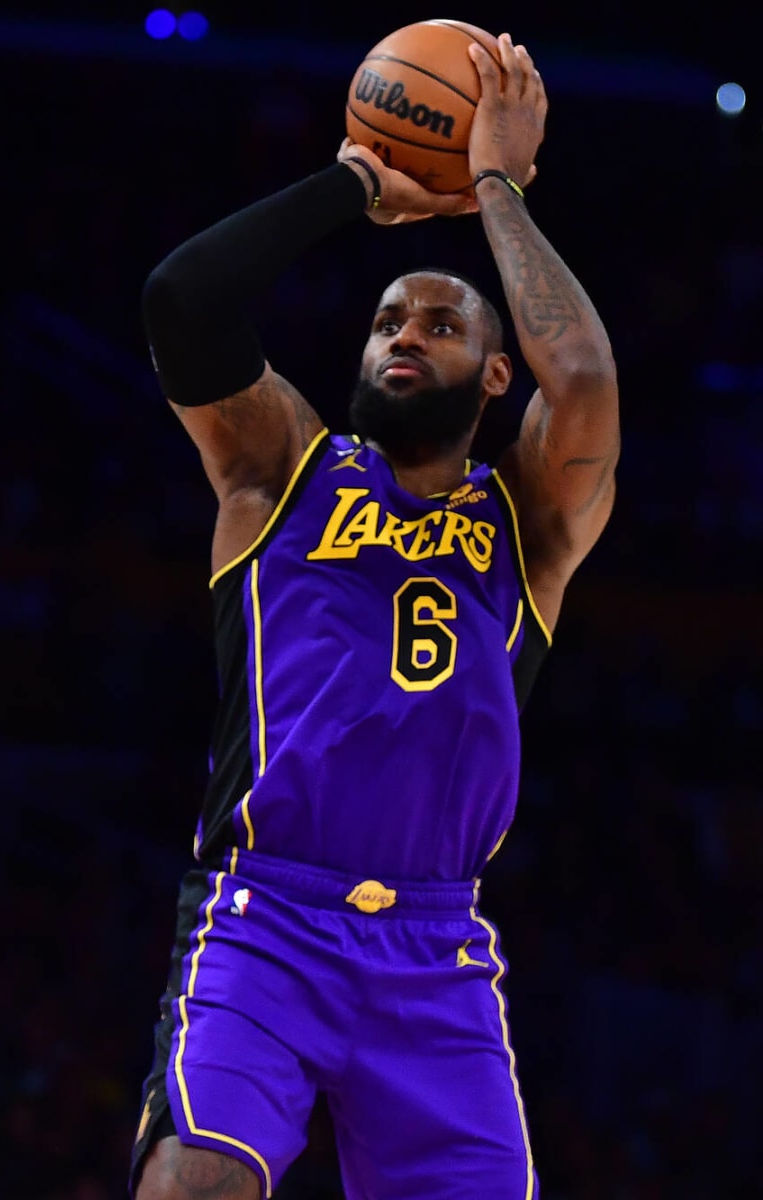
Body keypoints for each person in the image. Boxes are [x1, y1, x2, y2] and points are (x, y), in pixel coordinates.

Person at [130, 35, 616, 1200]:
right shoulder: (280, 470)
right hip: (266, 919)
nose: (404, 332)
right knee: (191, 1186)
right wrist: (355, 182)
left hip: (435, 953)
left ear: (496, 380)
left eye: (441, 325)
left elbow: (586, 379)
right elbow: (183, 301)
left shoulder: (529, 523)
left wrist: (493, 183)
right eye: (389, 319)